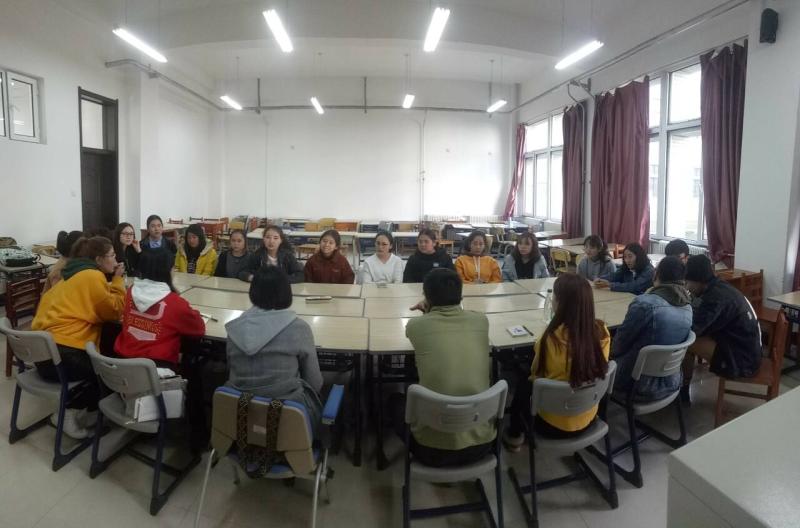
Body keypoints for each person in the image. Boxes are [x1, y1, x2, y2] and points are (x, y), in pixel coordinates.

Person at [31, 236, 126, 439]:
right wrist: (118, 280)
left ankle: (90, 410)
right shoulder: (93, 276)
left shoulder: (72, 274)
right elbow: (114, 310)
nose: (116, 259)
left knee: (104, 353)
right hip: (63, 357)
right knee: (110, 373)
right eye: (111, 255)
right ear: (99, 259)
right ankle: (69, 412)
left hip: (42, 353)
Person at [504, 273, 610, 450]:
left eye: (554, 296)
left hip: (552, 425)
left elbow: (535, 375)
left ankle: (515, 435)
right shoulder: (602, 332)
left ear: (560, 303)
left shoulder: (550, 339)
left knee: (523, 381)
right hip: (589, 416)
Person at [404, 268, 494, 467]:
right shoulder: (481, 320)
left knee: (394, 401)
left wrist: (427, 312)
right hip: (482, 444)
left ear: (426, 297)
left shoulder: (415, 326)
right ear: (461, 296)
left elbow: (422, 330)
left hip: (430, 450)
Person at [225, 266, 323, 428]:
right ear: (286, 292)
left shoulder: (235, 327)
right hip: (287, 420)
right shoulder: (298, 328)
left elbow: (230, 368)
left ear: (253, 291)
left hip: (240, 417)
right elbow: (315, 382)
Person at [680, 255, 762, 402]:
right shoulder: (719, 286)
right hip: (749, 350)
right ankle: (683, 388)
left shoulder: (715, 298)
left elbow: (694, 329)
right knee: (690, 336)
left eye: (687, 282)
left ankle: (683, 391)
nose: (686, 287)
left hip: (742, 360)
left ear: (698, 280)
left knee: (687, 342)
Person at [610, 256, 693, 401]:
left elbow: (619, 346)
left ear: (656, 274)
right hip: (672, 381)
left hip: (636, 383)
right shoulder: (688, 307)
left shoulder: (645, 304)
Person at [114, 250, 206, 366]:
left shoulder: (130, 292)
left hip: (122, 364)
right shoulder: (175, 302)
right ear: (168, 271)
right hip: (156, 368)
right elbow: (199, 329)